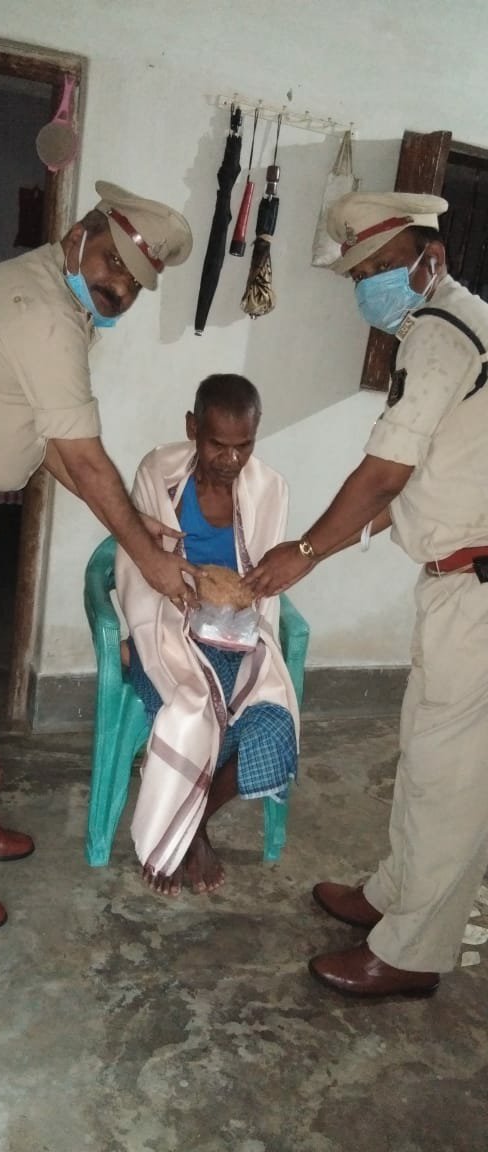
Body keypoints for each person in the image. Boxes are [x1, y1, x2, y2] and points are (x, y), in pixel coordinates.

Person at [0, 180, 195, 932]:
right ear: (77, 236)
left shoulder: (60, 303)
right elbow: (86, 458)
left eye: (135, 280)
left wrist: (139, 527)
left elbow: (55, 450)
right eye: (112, 261)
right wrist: (149, 557)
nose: (118, 285)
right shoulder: (43, 312)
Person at [248, 191, 488, 999]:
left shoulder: (444, 333)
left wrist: (304, 552)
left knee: (452, 777)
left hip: (477, 590)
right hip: (458, 581)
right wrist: (331, 541)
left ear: (432, 258)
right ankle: (393, 895)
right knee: (426, 754)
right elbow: (411, 479)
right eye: (360, 273)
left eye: (384, 266)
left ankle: (413, 952)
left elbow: (385, 472)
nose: (370, 285)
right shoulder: (444, 329)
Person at [115, 374, 299, 896]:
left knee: (274, 724)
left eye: (245, 445)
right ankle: (185, 833)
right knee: (188, 711)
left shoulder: (269, 489)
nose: (231, 459)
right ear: (192, 428)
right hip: (167, 627)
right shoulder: (159, 473)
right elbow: (138, 562)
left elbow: (263, 585)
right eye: (218, 444)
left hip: (237, 633)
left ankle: (192, 823)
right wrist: (169, 609)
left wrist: (241, 602)